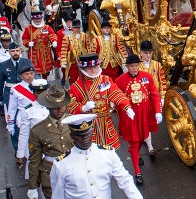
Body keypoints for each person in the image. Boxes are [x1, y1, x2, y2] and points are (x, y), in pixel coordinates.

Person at [50, 114, 143, 199]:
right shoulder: (61, 164)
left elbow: (125, 180)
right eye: (80, 135)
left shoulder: (107, 153)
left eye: (87, 133)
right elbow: (58, 195)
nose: (85, 138)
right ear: (72, 136)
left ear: (92, 132)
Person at [68, 53, 135, 149]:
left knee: (110, 151)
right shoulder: (76, 86)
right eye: (89, 68)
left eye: (95, 67)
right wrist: (83, 108)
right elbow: (71, 105)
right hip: (88, 125)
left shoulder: (105, 80)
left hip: (105, 121)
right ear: (83, 69)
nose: (93, 70)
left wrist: (127, 107)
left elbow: (116, 93)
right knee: (93, 152)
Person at [115, 54, 162, 185]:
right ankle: (137, 172)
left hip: (144, 115)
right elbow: (116, 98)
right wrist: (122, 111)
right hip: (131, 116)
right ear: (127, 67)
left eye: (136, 65)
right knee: (134, 142)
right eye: (131, 66)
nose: (135, 68)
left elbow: (154, 94)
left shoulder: (147, 77)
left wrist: (158, 111)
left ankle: (135, 154)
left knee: (142, 137)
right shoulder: (119, 81)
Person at [27, 86, 73, 199]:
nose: (60, 109)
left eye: (62, 105)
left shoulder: (75, 123)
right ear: (48, 107)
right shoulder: (38, 130)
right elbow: (34, 160)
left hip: (74, 173)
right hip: (51, 176)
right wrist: (33, 186)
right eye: (55, 107)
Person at [16, 79, 52, 177]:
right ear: (33, 93)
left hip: (54, 149)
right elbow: (24, 133)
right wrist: (20, 155)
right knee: (38, 181)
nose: (41, 95)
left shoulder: (55, 106)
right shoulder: (28, 110)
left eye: (44, 92)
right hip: (37, 151)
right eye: (38, 92)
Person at [5, 60, 38, 150]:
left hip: (39, 119)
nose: (29, 76)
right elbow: (12, 108)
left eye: (31, 73)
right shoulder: (16, 89)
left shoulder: (40, 85)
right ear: (21, 76)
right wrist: (11, 124)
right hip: (24, 119)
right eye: (26, 74)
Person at [0, 43, 27, 122]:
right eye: (13, 51)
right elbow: (0, 82)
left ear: (20, 52)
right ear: (9, 52)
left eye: (17, 51)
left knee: (26, 115)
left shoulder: (27, 62)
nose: (15, 53)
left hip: (24, 91)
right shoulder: (3, 65)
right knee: (11, 118)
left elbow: (34, 76)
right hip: (10, 92)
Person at [22, 10, 58, 79]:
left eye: (39, 19)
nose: (37, 20)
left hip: (45, 52)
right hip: (34, 52)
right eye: (36, 19)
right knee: (35, 69)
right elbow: (24, 39)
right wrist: (28, 43)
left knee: (46, 70)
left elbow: (52, 35)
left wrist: (54, 41)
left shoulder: (47, 27)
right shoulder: (28, 29)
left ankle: (45, 80)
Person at [60, 19, 90, 85]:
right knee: (73, 77)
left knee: (84, 76)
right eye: (76, 28)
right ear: (72, 28)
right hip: (72, 60)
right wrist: (63, 61)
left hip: (82, 59)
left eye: (78, 27)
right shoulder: (67, 37)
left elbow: (88, 48)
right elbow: (63, 49)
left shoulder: (85, 35)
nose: (77, 29)